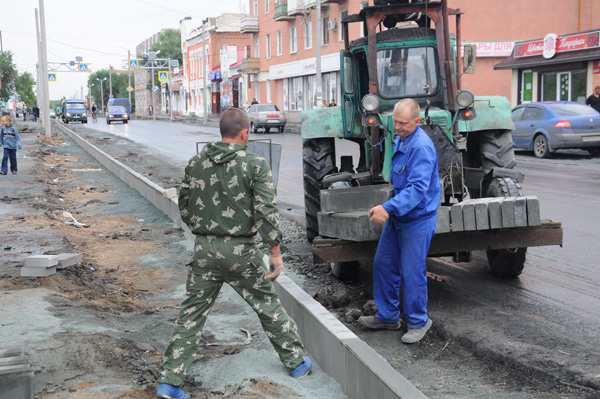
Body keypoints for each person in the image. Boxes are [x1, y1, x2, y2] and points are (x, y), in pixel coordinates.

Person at [155, 107, 312, 399]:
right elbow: (266, 211)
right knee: (267, 305)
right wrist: (275, 253)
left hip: (204, 250)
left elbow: (185, 204)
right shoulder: (255, 164)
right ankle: (297, 363)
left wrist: (204, 233)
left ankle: (169, 383)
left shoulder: (196, 162)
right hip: (242, 252)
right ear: (245, 133)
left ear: (221, 132)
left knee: (191, 315)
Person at [358, 99, 440, 344]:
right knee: (383, 263)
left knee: (411, 272)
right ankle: (388, 316)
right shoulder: (402, 139)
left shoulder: (421, 147)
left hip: (417, 218)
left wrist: (387, 207)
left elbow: (417, 189)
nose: (398, 126)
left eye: (403, 123)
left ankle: (418, 321)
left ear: (417, 121)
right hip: (399, 216)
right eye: (395, 121)